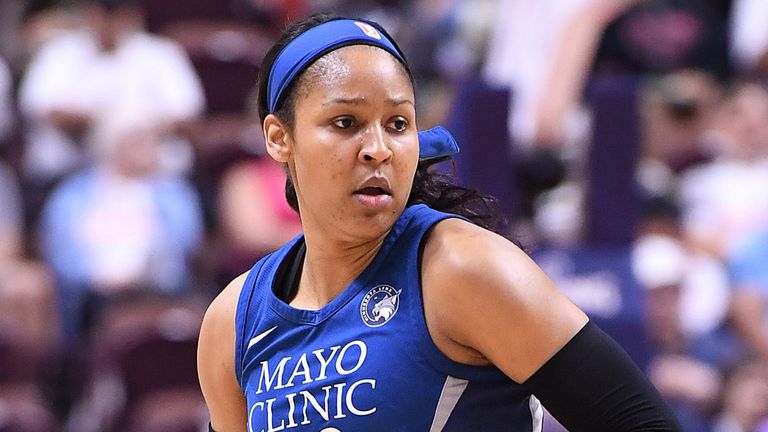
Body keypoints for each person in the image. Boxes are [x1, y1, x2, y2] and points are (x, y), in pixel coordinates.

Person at [197, 13, 682, 432]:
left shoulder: (464, 268)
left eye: (398, 124)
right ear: (279, 138)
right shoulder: (232, 321)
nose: (378, 148)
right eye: (345, 123)